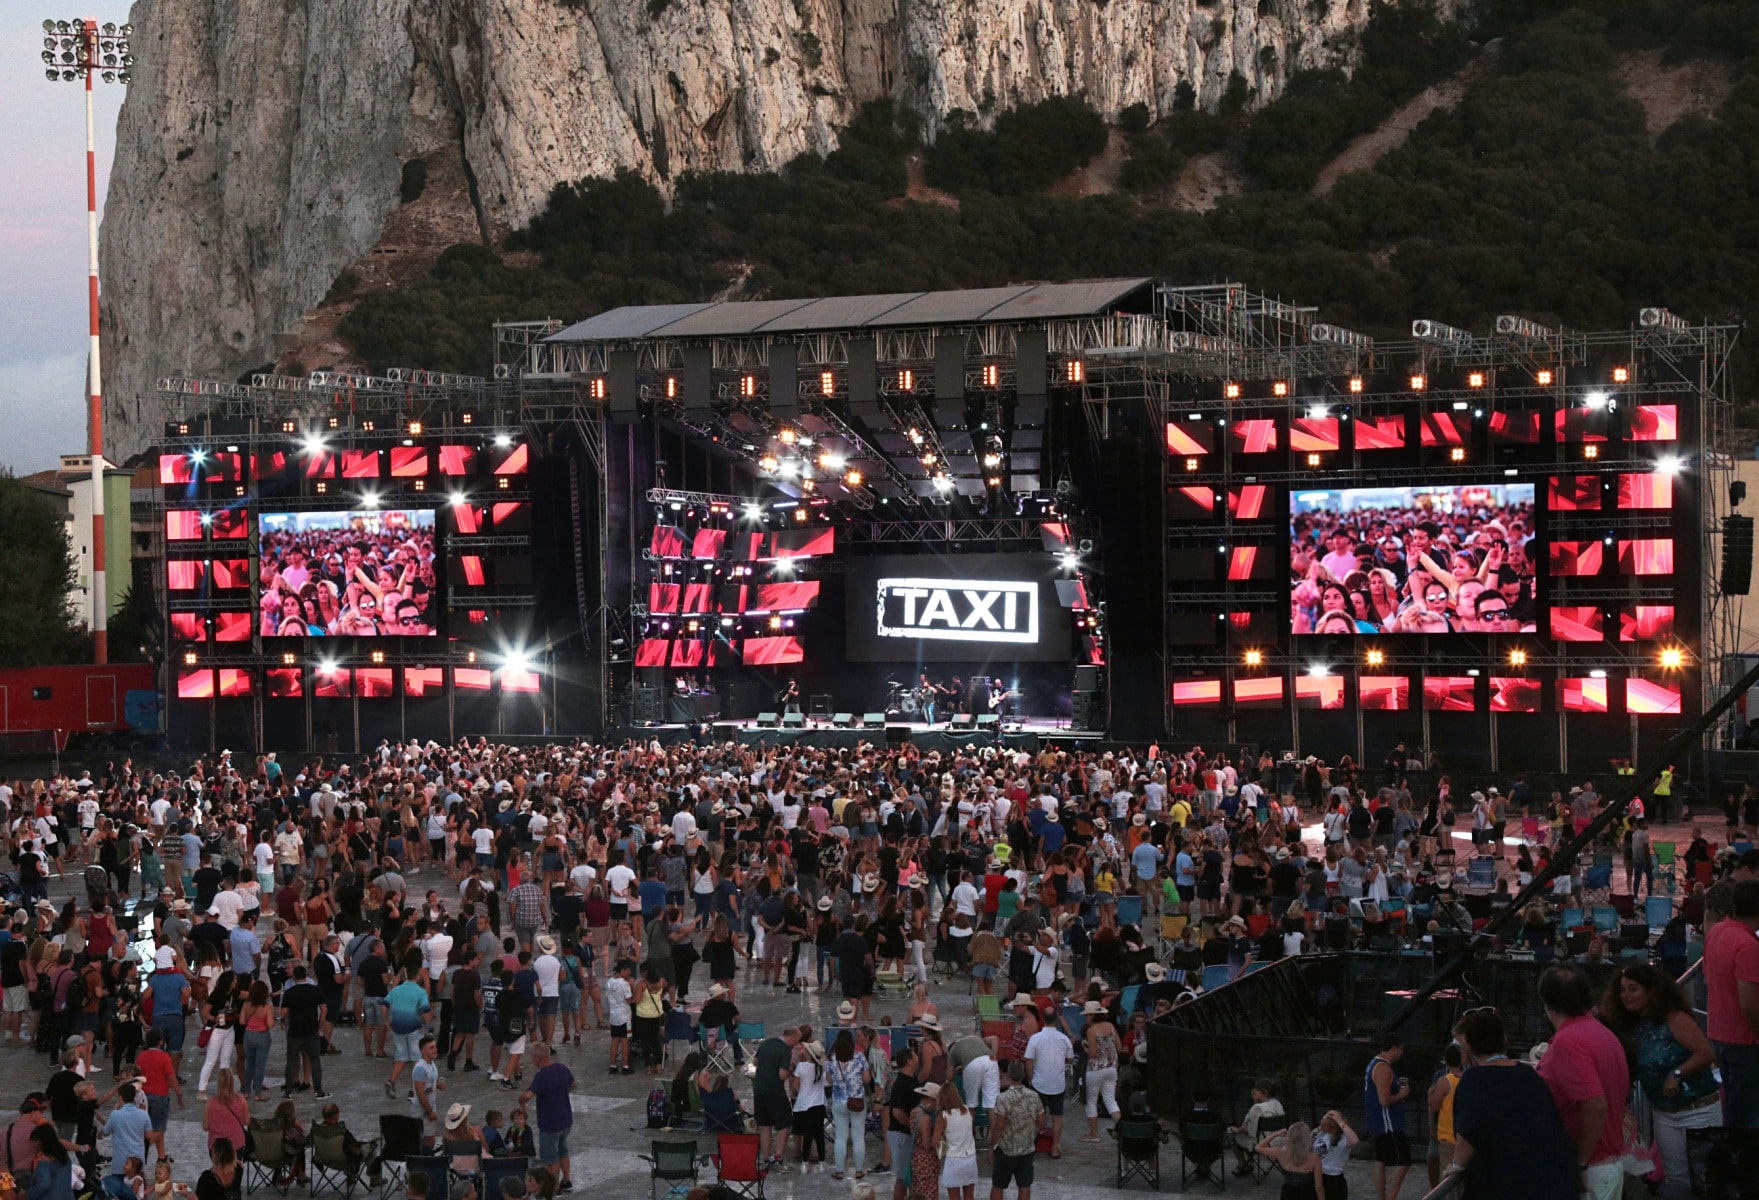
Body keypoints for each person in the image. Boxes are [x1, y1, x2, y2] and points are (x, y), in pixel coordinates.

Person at [1598, 964, 1720, 1199]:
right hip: (1664, 1114)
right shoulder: (1630, 1027)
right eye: (1622, 990)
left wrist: (1677, 1074)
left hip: (1699, 1110)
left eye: (1633, 989)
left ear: (1651, 991)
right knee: (1677, 1181)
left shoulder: (1674, 1018)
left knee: (1707, 1179)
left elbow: (1706, 1053)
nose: (1626, 995)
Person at [1447, 1008, 1576, 1200]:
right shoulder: (1529, 1075)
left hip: (1506, 1184)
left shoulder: (1475, 1080)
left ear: (1468, 1045)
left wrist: (1456, 1166)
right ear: (1503, 1039)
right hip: (1550, 1181)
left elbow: (1467, 1135)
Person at [1535, 965, 1628, 1200]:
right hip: (1603, 1165)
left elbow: (1595, 1104)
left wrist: (1580, 1163)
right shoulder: (1600, 1032)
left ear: (1547, 1003)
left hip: (1590, 1170)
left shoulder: (1569, 1041)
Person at [1704, 877, 1759, 1127]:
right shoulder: (1747, 945)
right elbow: (1749, 1003)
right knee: (1746, 1116)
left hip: (1718, 1033)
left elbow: (1708, 979)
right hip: (1745, 1040)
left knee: (1731, 1109)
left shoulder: (1717, 932)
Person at [518, 1043, 574, 1192]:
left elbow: (527, 1095)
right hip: (565, 1118)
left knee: (551, 1157)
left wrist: (521, 1102)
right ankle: (566, 1180)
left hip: (550, 1122)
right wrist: (562, 1092)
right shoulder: (562, 1068)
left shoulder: (541, 1076)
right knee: (563, 1151)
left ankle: (554, 1188)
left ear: (538, 1058)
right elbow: (573, 1083)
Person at [1362, 1034, 1411, 1200]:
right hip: (1388, 1123)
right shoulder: (1383, 1068)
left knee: (1381, 1159)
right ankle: (1390, 1196)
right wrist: (1401, 1094)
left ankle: (1382, 1197)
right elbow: (1384, 1100)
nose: (1402, 1053)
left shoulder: (1375, 1063)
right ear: (1394, 1048)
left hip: (1378, 1122)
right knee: (1404, 1161)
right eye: (1401, 1049)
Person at [987, 1061, 1043, 1200]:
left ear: (1009, 1075)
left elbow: (999, 1126)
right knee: (1024, 1185)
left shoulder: (1003, 1098)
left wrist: (992, 1146)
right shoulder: (1034, 1096)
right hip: (1027, 1148)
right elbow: (1042, 1122)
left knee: (998, 1185)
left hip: (1007, 1148)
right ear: (1023, 1075)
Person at [1023, 1013, 1072, 1158]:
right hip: (1057, 1083)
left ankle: (1035, 1142)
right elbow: (1070, 1059)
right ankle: (1055, 1147)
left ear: (1043, 1019)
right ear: (1056, 1020)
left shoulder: (1035, 1038)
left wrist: (1030, 1078)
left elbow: (1028, 1061)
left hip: (1039, 1082)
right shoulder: (1064, 1039)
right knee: (1057, 1116)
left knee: (1037, 1114)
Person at [825, 1029, 870, 1181]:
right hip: (856, 1100)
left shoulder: (831, 1059)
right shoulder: (859, 1057)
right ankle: (859, 1170)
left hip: (839, 1101)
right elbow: (867, 1079)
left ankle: (839, 1171)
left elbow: (829, 1081)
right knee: (858, 1137)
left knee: (840, 1137)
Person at [752, 1026, 799, 1173]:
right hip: (775, 1091)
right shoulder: (785, 1050)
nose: (796, 1044)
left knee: (765, 1125)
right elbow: (782, 1075)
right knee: (784, 1124)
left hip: (759, 1089)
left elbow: (755, 1061)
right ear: (791, 1037)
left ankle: (765, 1159)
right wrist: (791, 1068)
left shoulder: (767, 1042)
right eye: (796, 1041)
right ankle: (778, 1159)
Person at [1079, 1001, 1122, 1144]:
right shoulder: (1110, 1026)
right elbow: (1119, 1047)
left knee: (1091, 1101)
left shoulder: (1091, 1030)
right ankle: (1122, 1129)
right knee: (1110, 1099)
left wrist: (1084, 1047)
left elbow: (1093, 1053)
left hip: (1096, 1069)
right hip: (1111, 1067)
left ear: (1091, 1015)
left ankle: (1094, 1133)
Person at [1256, 1121, 1324, 1200]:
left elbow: (1258, 1147)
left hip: (1288, 1193)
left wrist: (1276, 1134)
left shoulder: (1280, 1152)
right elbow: (1319, 1187)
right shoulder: (1314, 1158)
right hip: (1307, 1194)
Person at [1230, 1078, 1285, 1175]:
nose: (1253, 1091)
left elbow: (1246, 1130)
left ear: (1265, 1092)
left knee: (1231, 1134)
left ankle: (1243, 1164)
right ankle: (1249, 1163)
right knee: (1251, 1136)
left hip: (1261, 1144)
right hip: (1279, 1141)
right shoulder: (1277, 1103)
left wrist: (1234, 1129)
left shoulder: (1256, 1108)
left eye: (1256, 1089)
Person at [936, 1080, 978, 1200]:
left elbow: (935, 1141)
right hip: (970, 1157)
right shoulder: (967, 1110)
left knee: (954, 1197)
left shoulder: (943, 1116)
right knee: (969, 1196)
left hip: (954, 1160)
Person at [24, 1124, 72, 1200]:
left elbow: (43, 1184)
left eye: (36, 1141)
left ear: (43, 1141)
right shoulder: (64, 1157)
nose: (34, 1144)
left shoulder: (45, 1159)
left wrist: (26, 1195)